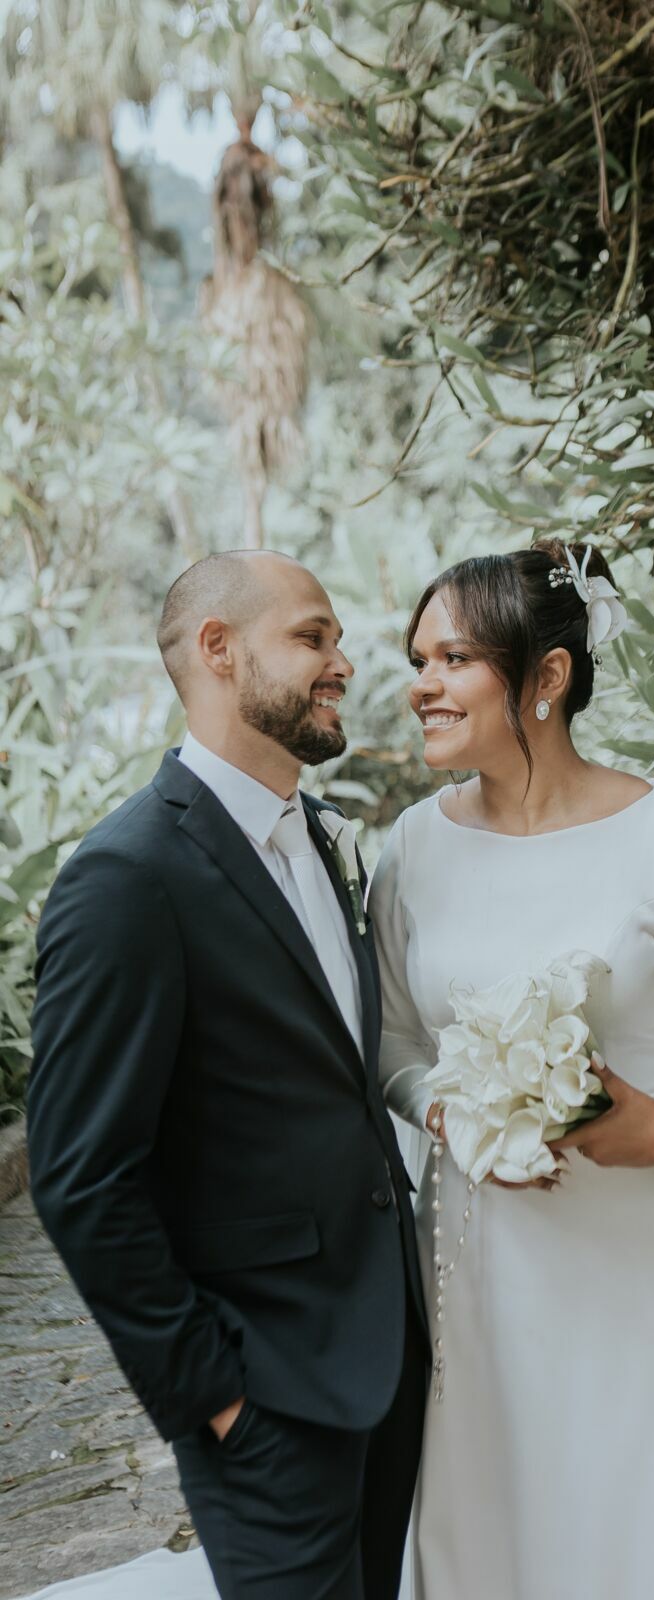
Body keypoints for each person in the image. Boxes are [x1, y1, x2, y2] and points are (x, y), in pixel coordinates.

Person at [369, 538, 654, 1599]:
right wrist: (457, 1119)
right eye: (416, 657)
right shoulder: (410, 850)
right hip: (489, 1262)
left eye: (452, 658)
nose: (420, 683)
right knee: (510, 1521)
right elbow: (390, 1046)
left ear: (547, 677)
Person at [27, 550, 427, 1600]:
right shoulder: (127, 880)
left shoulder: (321, 841)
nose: (342, 661)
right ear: (216, 647)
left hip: (385, 1358)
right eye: (313, 636)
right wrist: (216, 1399)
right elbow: (81, 1177)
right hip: (268, 1396)